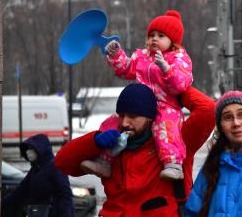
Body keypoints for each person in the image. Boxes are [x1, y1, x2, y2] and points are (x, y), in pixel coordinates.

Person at [55, 83, 215, 216]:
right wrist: (94, 141)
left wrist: (172, 87)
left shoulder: (175, 141)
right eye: (122, 115)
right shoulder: (111, 144)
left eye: (132, 116)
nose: (125, 122)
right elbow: (62, 162)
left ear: (150, 117)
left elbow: (207, 109)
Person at [82, 10, 192, 181]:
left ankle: (173, 164)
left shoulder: (178, 58)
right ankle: (105, 161)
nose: (154, 39)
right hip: (140, 104)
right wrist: (116, 54)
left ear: (173, 41)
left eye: (161, 35)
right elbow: (126, 69)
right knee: (114, 123)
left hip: (165, 104)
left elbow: (181, 84)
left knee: (166, 127)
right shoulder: (142, 55)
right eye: (151, 35)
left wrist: (166, 69)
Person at [2, 134, 74, 217]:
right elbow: (21, 191)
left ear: (41, 149)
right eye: (27, 149)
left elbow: (65, 195)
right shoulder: (35, 169)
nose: (28, 151)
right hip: (38, 212)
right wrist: (3, 202)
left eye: (31, 148)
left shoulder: (55, 166)